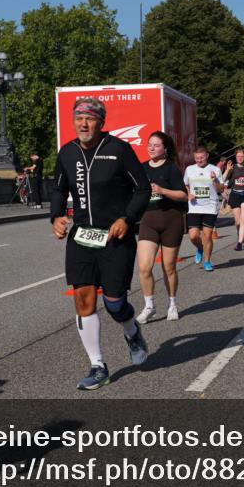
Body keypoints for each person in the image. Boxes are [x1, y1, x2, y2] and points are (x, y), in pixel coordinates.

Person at [51, 97, 151, 391]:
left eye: (90, 118)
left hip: (115, 237)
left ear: (101, 122)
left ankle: (132, 331)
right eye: (79, 118)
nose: (83, 123)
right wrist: (56, 216)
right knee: (82, 299)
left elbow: (142, 189)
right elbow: (58, 189)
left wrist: (127, 218)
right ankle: (98, 366)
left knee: (115, 302)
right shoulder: (66, 153)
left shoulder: (119, 150)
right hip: (82, 236)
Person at [136, 131, 188, 323]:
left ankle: (172, 303)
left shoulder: (171, 169)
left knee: (169, 267)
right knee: (144, 267)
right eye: (150, 144)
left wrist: (162, 190)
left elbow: (183, 195)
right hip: (149, 220)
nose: (151, 148)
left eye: (156, 145)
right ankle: (149, 306)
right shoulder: (141, 168)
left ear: (165, 149)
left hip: (171, 221)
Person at [184, 146, 224, 272]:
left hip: (210, 206)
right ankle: (200, 248)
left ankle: (207, 261)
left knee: (207, 236)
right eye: (197, 158)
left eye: (201, 158)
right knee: (193, 236)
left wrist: (215, 180)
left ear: (206, 156)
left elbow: (221, 189)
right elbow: (185, 184)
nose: (199, 160)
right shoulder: (189, 169)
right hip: (194, 207)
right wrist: (188, 193)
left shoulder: (215, 169)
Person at [224, 148, 244, 251]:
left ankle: (239, 243)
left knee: (243, 220)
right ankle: (240, 236)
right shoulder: (232, 168)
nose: (240, 158)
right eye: (238, 156)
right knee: (238, 222)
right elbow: (223, 179)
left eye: (242, 156)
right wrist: (227, 170)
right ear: (235, 157)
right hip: (235, 194)